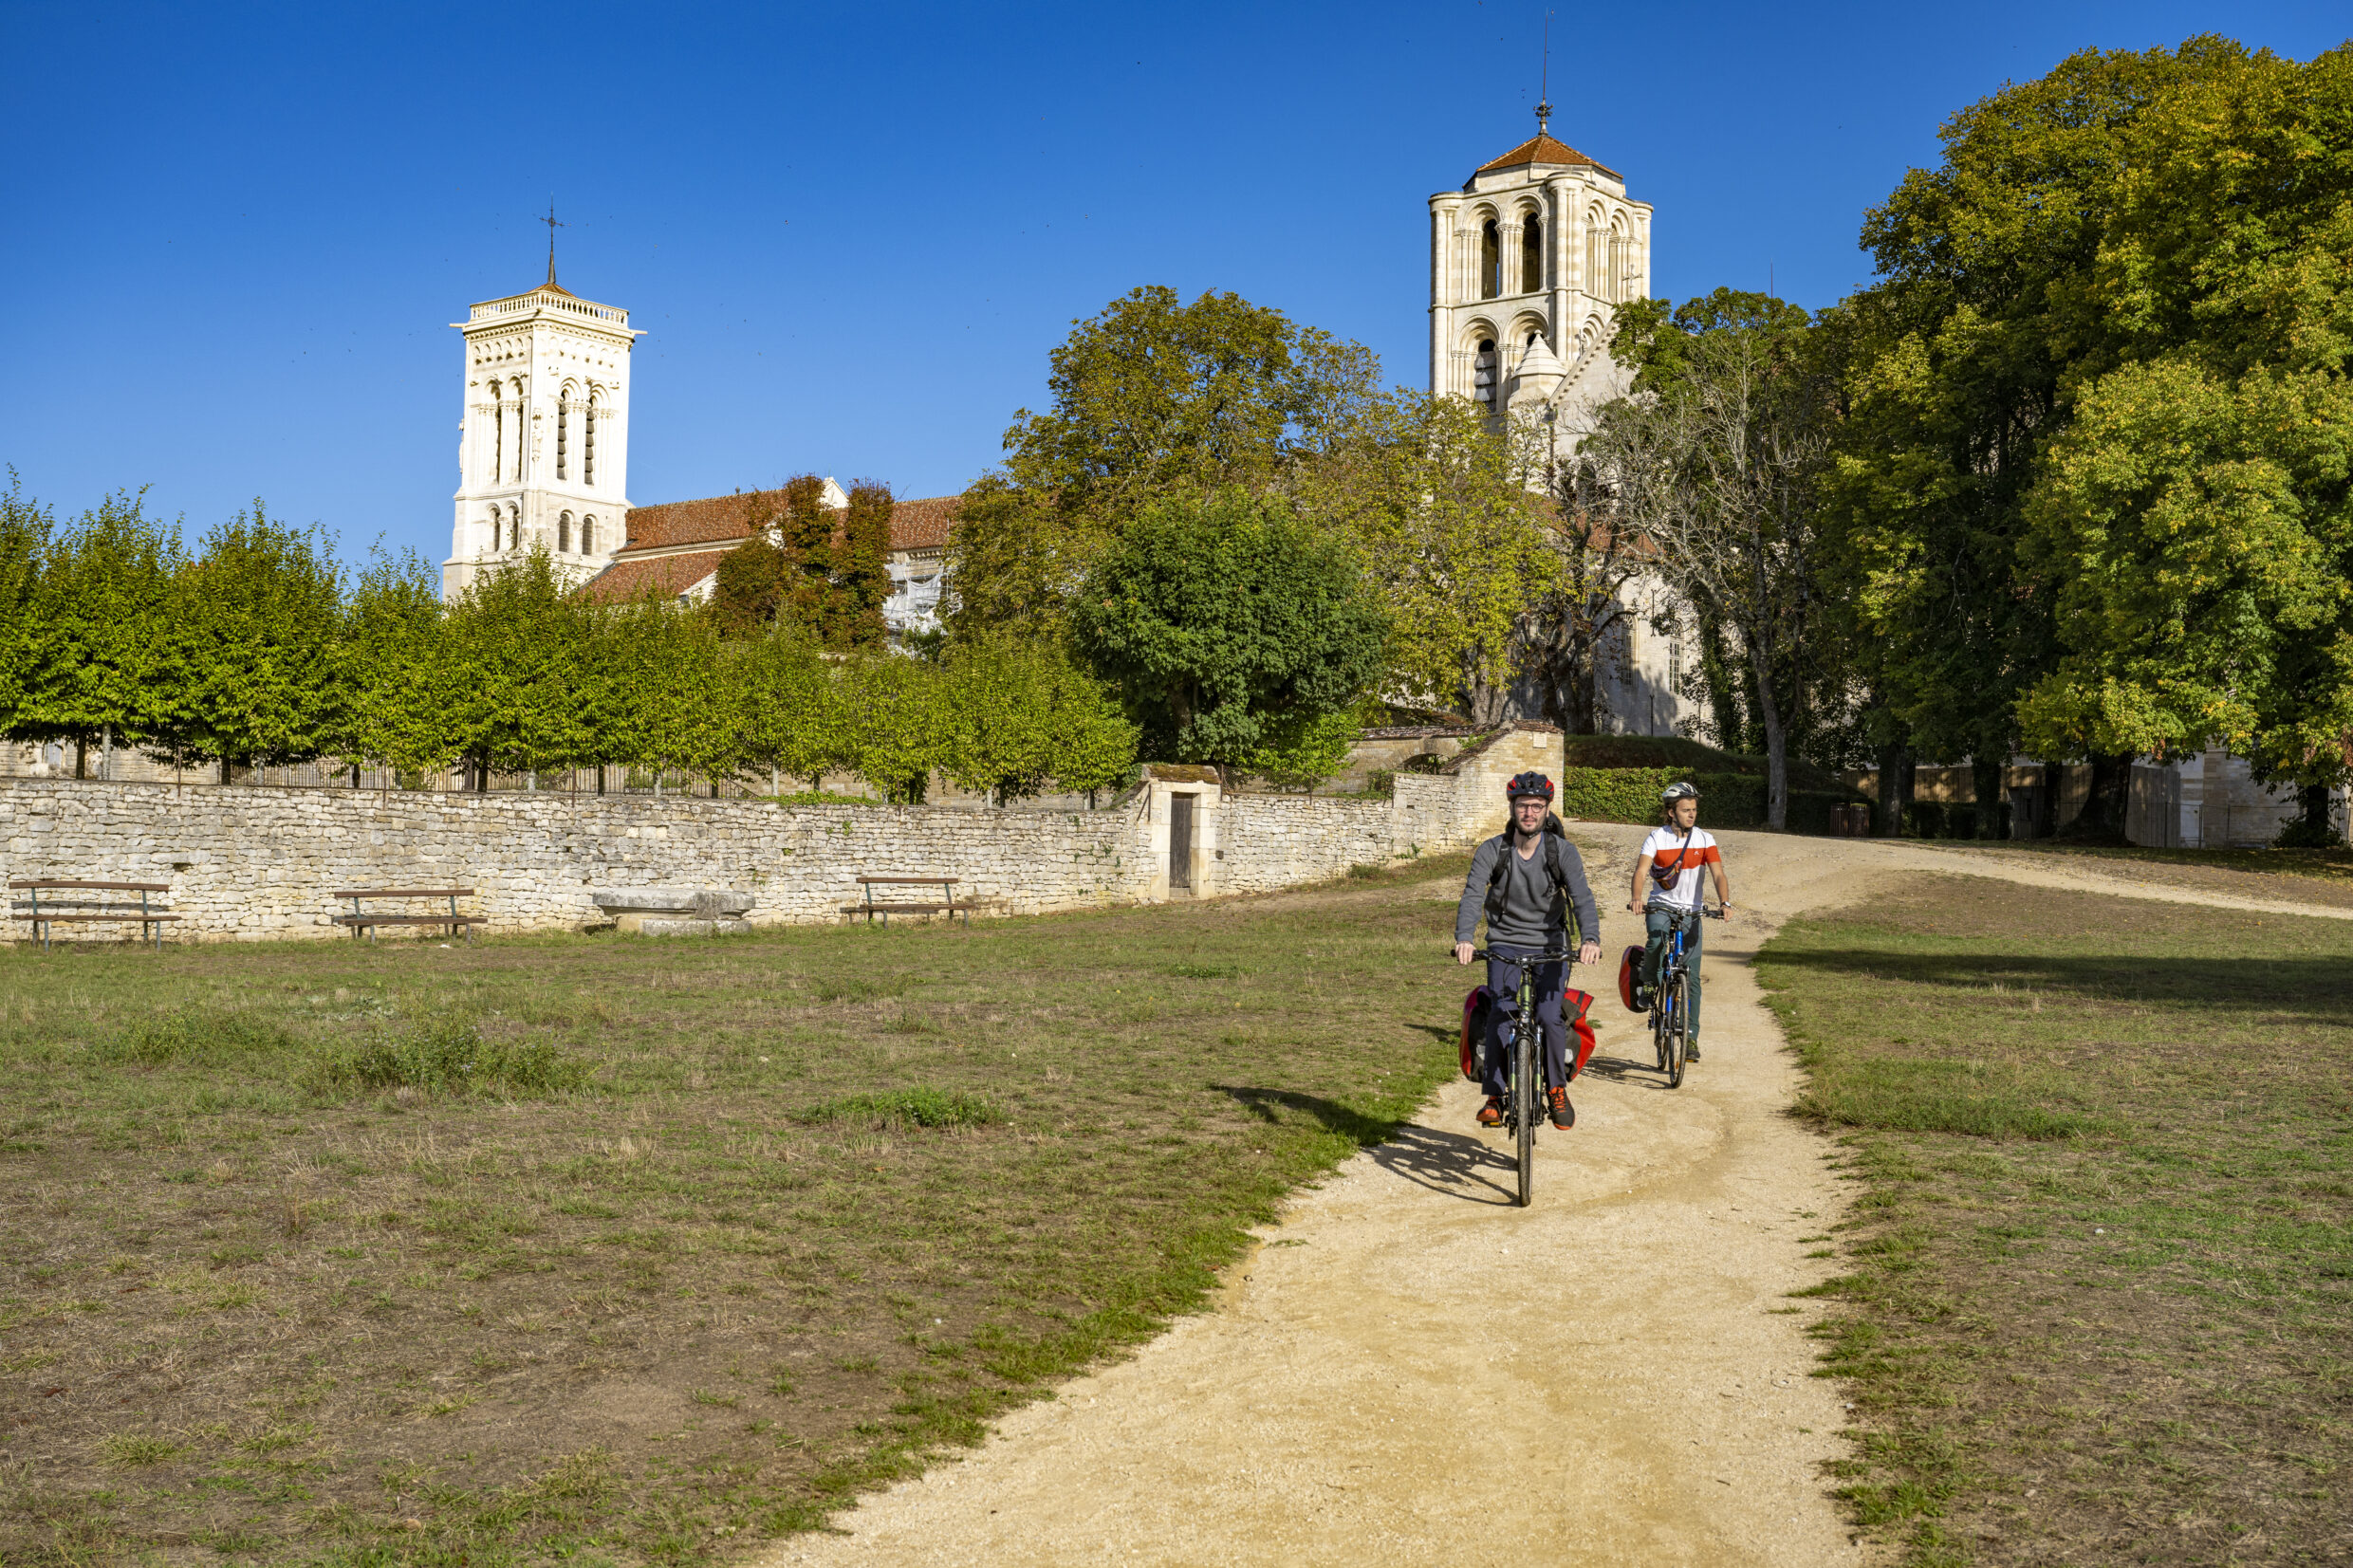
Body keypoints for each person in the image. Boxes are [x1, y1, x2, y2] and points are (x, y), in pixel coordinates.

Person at [1454, 771, 1603, 1131]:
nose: (1530, 813)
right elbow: (1474, 894)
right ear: (1512, 809)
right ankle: (1495, 1094)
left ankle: (1556, 1088)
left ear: (1548, 810)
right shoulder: (1493, 850)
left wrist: (1591, 938)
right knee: (1501, 1015)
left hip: (1551, 945)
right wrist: (1465, 937)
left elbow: (1581, 897)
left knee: (1550, 1015)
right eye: (1523, 806)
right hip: (1505, 942)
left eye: (1537, 806)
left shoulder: (1561, 852)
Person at [1629, 782, 1732, 1060]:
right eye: (1686, 810)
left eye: (1694, 809)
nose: (1692, 814)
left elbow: (1718, 874)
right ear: (1671, 812)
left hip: (1692, 912)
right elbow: (1641, 871)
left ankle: (1690, 1038)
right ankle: (1649, 984)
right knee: (1655, 941)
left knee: (1693, 978)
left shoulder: (1704, 839)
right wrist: (1637, 897)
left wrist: (1724, 902)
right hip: (1661, 906)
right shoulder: (1656, 838)